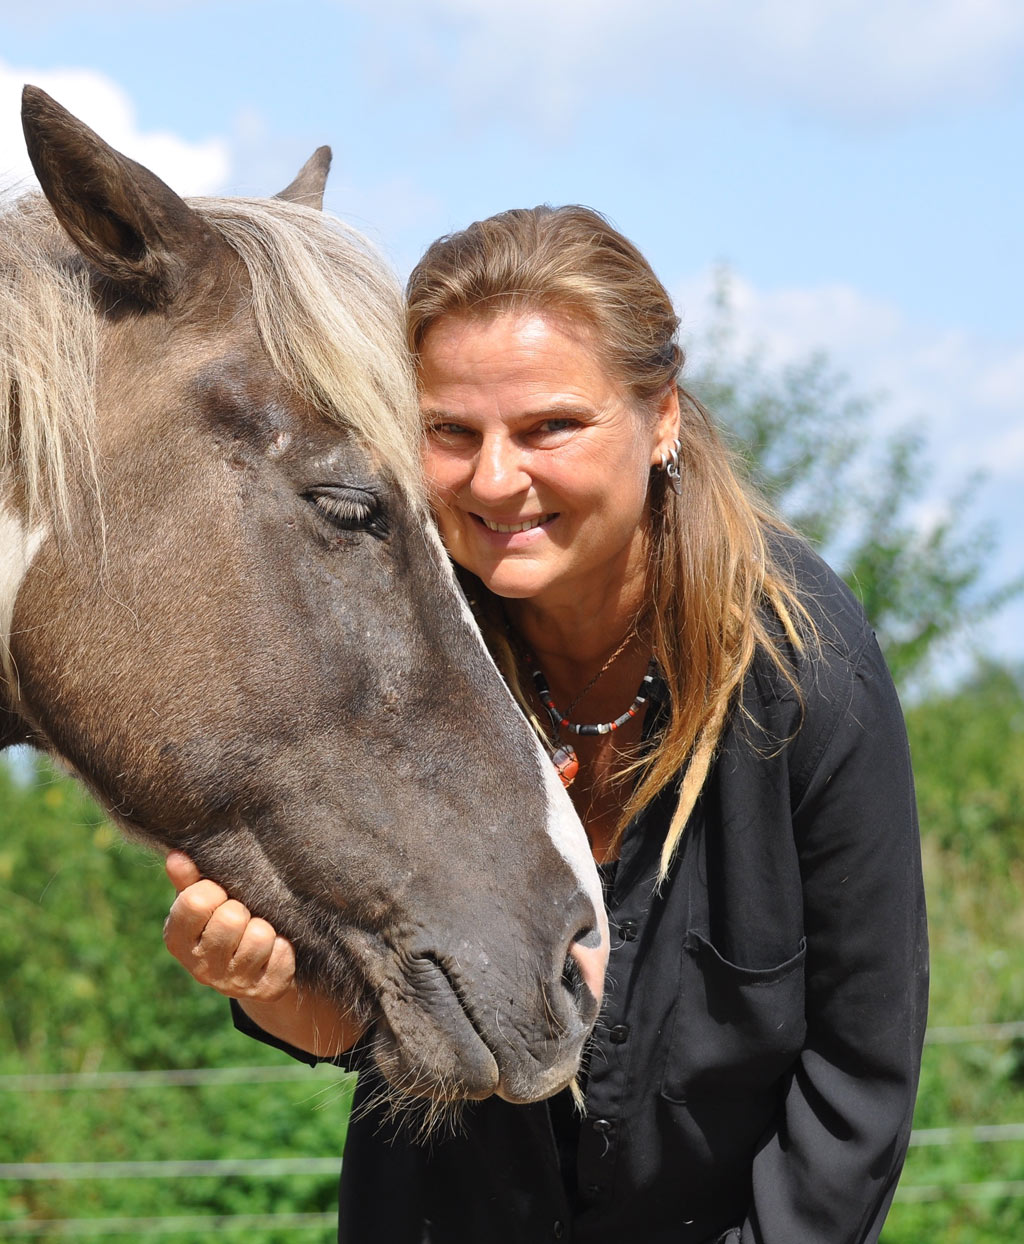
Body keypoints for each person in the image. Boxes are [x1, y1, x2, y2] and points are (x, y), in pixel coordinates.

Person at [162, 205, 929, 1243]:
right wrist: (277, 994)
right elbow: (381, 1014)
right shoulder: (385, 656)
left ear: (659, 416)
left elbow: (858, 1075)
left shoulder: (803, 663)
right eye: (449, 431)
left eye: (548, 426)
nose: (492, 478)